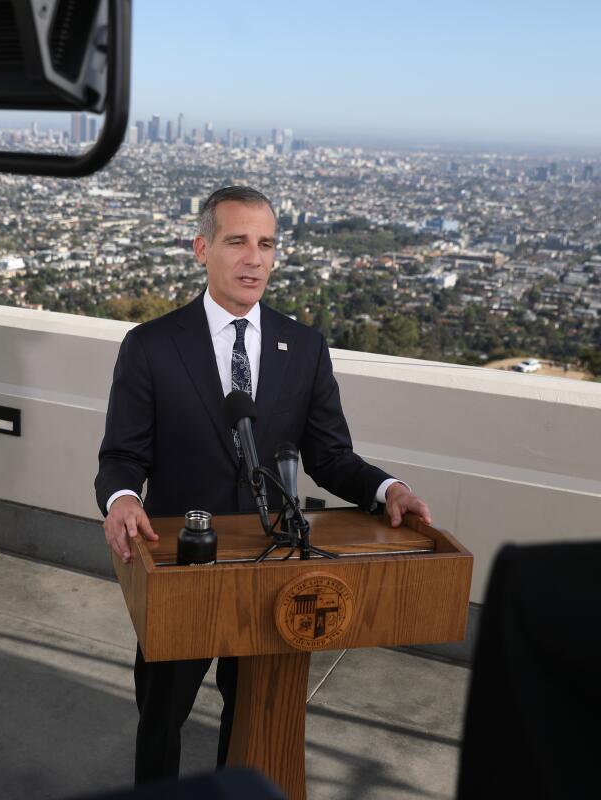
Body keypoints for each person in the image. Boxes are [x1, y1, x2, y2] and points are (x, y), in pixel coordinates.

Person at [95, 185, 432, 783]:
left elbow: (330, 456)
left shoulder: (303, 347)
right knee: (161, 717)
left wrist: (387, 491)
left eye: (267, 243)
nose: (255, 258)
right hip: (184, 570)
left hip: (272, 567)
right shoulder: (149, 346)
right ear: (202, 248)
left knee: (252, 712)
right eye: (237, 241)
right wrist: (121, 500)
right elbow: (123, 456)